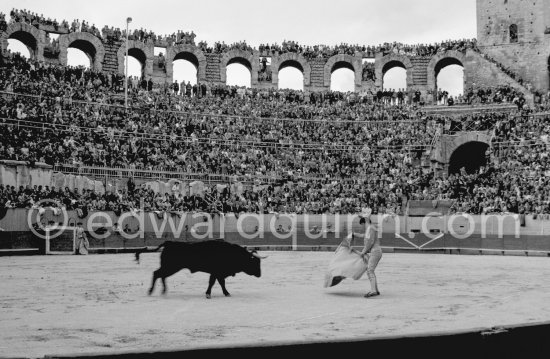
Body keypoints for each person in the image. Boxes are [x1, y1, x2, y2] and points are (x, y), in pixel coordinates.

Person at [358, 215, 382, 298]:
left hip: (375, 251)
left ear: (365, 222)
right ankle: (375, 290)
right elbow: (364, 237)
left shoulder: (371, 228)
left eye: (363, 225)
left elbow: (370, 242)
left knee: (370, 270)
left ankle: (373, 291)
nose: (363, 227)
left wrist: (363, 252)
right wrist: (354, 234)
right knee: (371, 270)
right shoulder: (370, 228)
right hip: (375, 251)